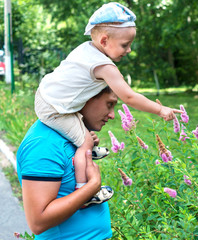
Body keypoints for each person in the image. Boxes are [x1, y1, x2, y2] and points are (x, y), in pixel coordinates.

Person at [34, 2, 182, 202]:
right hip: (54, 108)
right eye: (125, 45)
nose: (129, 50)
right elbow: (128, 96)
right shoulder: (103, 66)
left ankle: (85, 159)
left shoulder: (86, 49)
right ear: (104, 40)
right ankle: (83, 192)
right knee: (85, 143)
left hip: (49, 96)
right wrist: (159, 109)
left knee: (86, 136)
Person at [17, 86, 117, 239]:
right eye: (109, 104)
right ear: (85, 97)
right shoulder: (43, 144)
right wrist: (92, 186)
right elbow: (38, 221)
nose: (112, 115)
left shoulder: (71, 136)